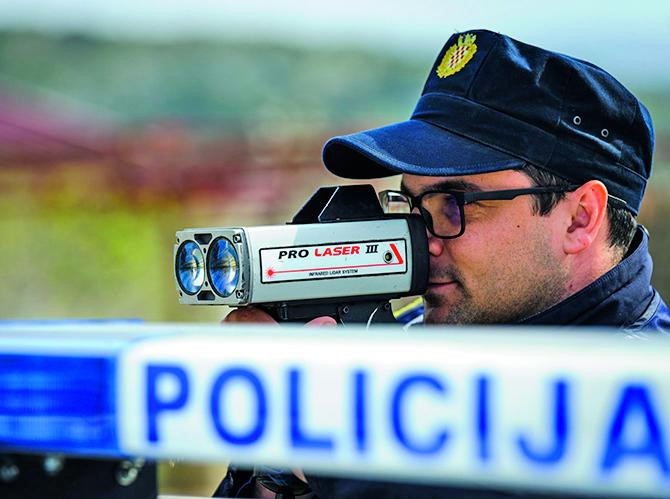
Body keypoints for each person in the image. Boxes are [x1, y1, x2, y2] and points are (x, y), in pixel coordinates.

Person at [214, 29, 670, 498]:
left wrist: (323, 428)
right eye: (412, 207)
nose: (421, 240)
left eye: (454, 203)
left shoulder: (646, 391)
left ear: (580, 218)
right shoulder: (405, 343)